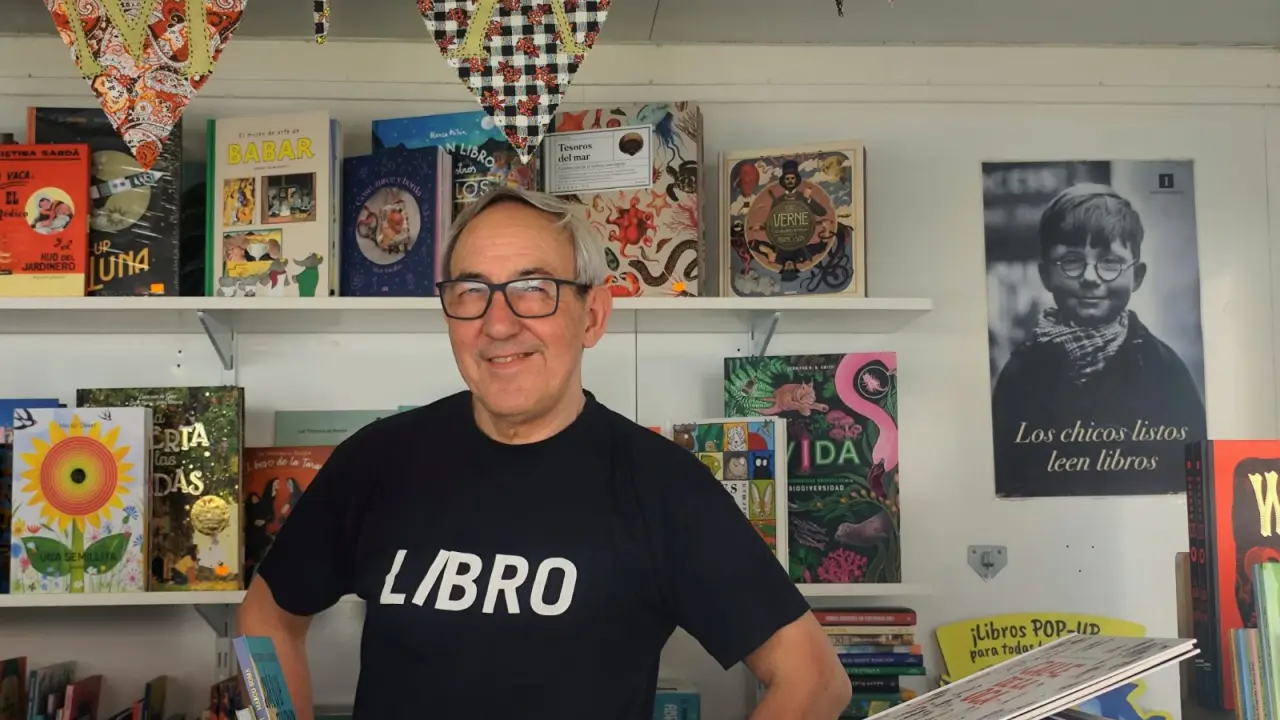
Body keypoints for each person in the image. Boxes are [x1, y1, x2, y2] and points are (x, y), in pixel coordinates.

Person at [238, 186, 852, 719]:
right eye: (471, 290)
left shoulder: (664, 487)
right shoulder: (377, 460)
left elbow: (816, 681)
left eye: (534, 289)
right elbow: (265, 619)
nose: (498, 324)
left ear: (593, 316)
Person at [991, 182, 1206, 497]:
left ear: (1137, 276)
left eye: (1110, 262)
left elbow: (1192, 482)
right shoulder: (1020, 374)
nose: (1090, 277)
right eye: (1071, 261)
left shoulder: (1164, 370)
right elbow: (1004, 479)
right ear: (1045, 274)